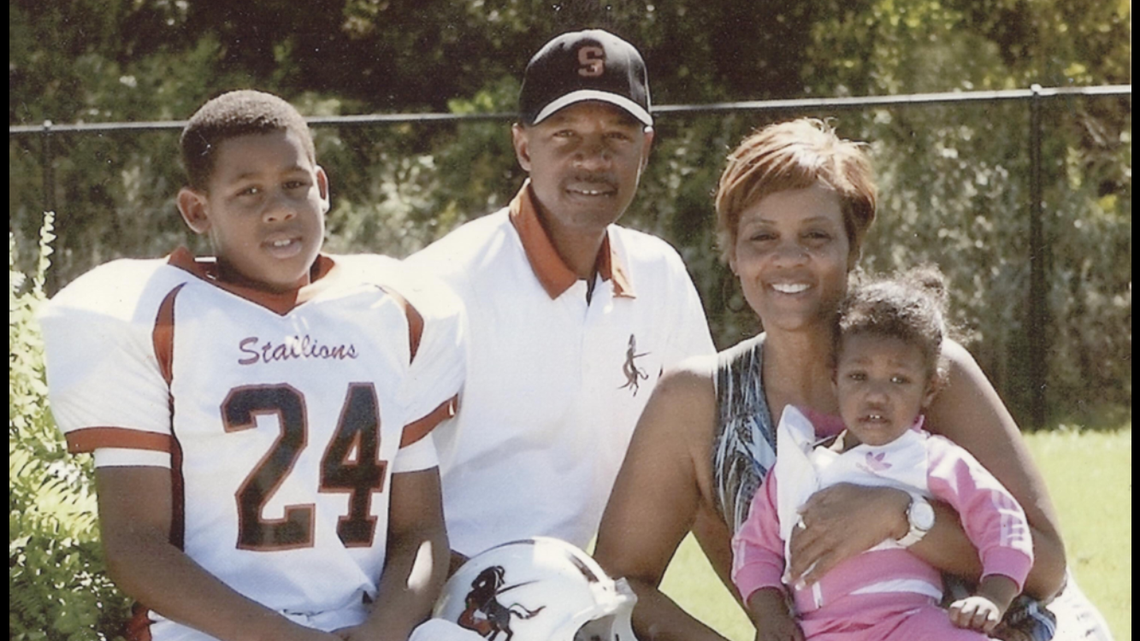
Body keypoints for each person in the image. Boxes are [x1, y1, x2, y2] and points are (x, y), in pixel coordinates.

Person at [594, 118, 1114, 641]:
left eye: (816, 235)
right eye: (762, 236)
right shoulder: (698, 400)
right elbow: (618, 583)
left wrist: (901, 517)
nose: (789, 257)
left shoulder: (931, 370)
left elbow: (1046, 566)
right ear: (731, 251)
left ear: (853, 246)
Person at [39, 90, 464, 641]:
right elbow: (134, 546)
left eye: (294, 185)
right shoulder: (155, 316)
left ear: (323, 187)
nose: (280, 207)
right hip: (207, 629)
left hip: (360, 623)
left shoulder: (392, 310)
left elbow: (421, 527)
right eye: (248, 192)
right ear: (197, 210)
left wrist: (385, 629)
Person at [406, 29, 714, 569]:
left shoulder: (659, 272)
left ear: (645, 148)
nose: (592, 160)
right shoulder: (442, 284)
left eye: (616, 137)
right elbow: (382, 508)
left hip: (583, 594)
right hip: (447, 600)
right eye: (565, 135)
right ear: (524, 146)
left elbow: (706, 465)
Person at [732, 267, 1034, 641]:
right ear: (835, 379)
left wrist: (993, 597)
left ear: (928, 389)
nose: (876, 395)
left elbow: (1002, 519)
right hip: (820, 631)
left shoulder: (928, 457)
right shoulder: (797, 465)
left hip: (912, 624)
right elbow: (754, 548)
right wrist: (770, 616)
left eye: (898, 380)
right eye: (859, 376)